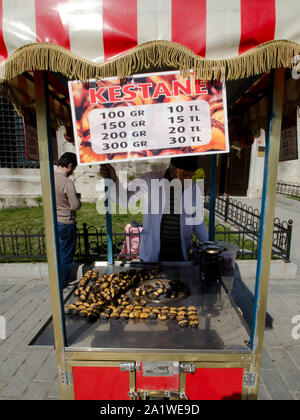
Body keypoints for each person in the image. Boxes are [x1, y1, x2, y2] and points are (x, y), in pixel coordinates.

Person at [100, 156, 208, 262]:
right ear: (172, 170)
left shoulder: (194, 189)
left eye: (191, 176)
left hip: (179, 255)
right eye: (185, 176)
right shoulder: (149, 180)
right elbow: (125, 200)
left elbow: (198, 222)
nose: (189, 180)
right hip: (152, 254)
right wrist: (113, 179)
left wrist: (207, 248)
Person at [54, 152, 82, 288]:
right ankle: (62, 283)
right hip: (66, 222)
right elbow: (75, 206)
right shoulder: (67, 182)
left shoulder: (49, 178)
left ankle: (56, 279)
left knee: (57, 253)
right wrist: (79, 200)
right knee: (66, 255)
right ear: (70, 166)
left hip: (53, 222)